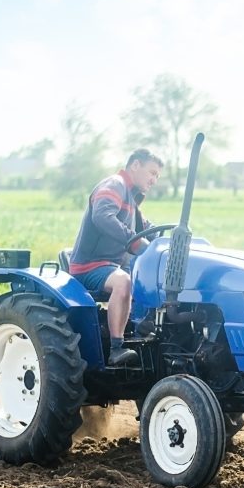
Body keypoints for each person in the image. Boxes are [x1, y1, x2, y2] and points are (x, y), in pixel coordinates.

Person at [69, 149, 163, 366]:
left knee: (152, 279)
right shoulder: (115, 185)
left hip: (111, 265)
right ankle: (116, 348)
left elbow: (143, 227)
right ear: (135, 165)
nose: (154, 180)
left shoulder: (131, 197)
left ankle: (144, 328)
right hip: (90, 266)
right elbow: (102, 216)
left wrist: (161, 237)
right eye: (152, 172)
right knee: (125, 282)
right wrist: (134, 241)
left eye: (157, 176)